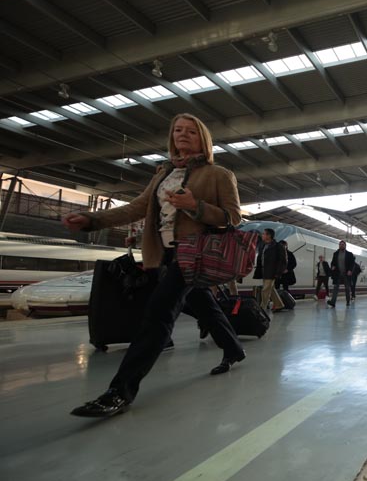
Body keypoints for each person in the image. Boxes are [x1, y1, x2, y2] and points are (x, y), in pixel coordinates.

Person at [63, 113, 246, 418]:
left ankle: (119, 392)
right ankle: (234, 349)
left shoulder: (218, 174)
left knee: (158, 315)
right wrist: (92, 219)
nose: (183, 135)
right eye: (178, 130)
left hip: (194, 253)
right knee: (204, 306)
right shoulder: (163, 174)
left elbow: (233, 217)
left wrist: (195, 207)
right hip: (165, 255)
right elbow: (137, 207)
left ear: (203, 139)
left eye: (191, 131)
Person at [255, 228, 286, 312]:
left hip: (272, 271)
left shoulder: (278, 246)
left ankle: (262, 308)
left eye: (264, 234)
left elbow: (282, 260)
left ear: (269, 236)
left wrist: (278, 272)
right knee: (270, 289)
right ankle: (279, 305)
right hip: (264, 271)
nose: (262, 235)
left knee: (265, 289)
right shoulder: (263, 245)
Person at [328, 240, 355, 307]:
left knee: (347, 288)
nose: (341, 245)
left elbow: (352, 264)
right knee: (335, 288)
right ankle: (333, 302)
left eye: (343, 244)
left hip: (346, 274)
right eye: (340, 244)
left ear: (345, 246)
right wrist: (332, 266)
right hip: (338, 273)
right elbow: (333, 262)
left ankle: (348, 301)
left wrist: (350, 270)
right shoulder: (335, 254)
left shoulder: (349, 254)